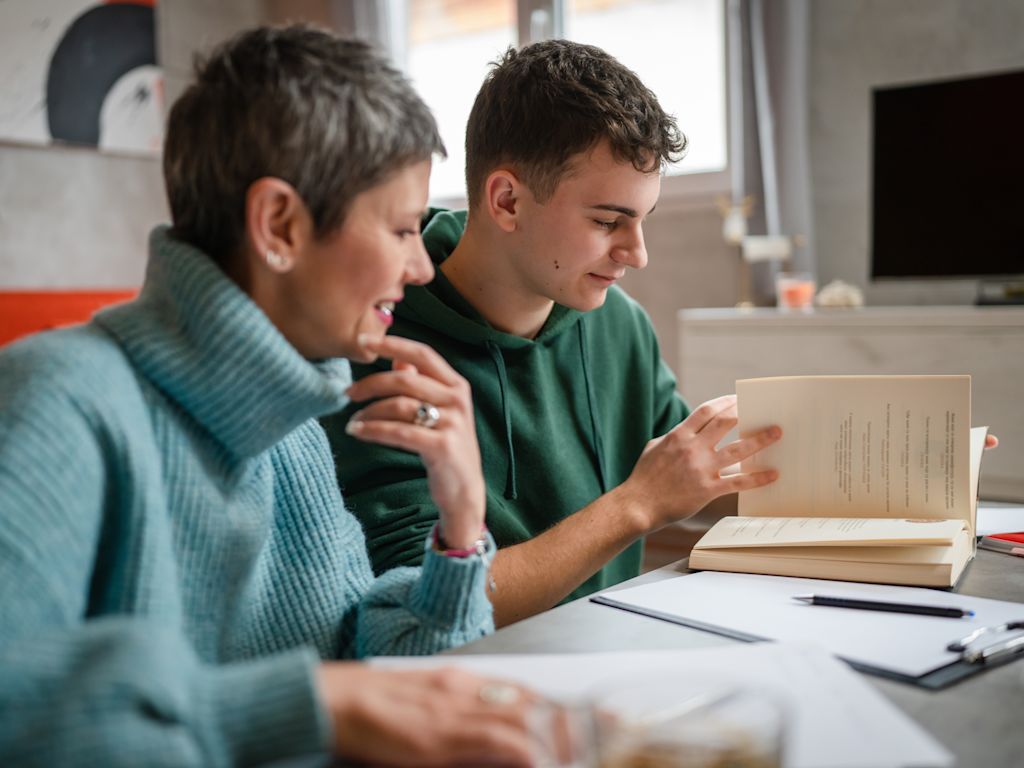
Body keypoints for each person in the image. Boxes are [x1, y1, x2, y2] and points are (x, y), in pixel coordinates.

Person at [0, 25, 535, 768]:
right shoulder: (58, 399)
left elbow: (365, 667)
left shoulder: (292, 423)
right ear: (280, 224)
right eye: (404, 228)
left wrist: (458, 532)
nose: (419, 267)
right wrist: (310, 705)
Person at [323, 39, 782, 629]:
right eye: (607, 221)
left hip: (616, 658)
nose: (636, 255)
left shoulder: (621, 324)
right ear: (508, 200)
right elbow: (422, 609)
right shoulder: (378, 345)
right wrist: (635, 506)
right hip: (479, 690)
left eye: (642, 221)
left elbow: (697, 472)